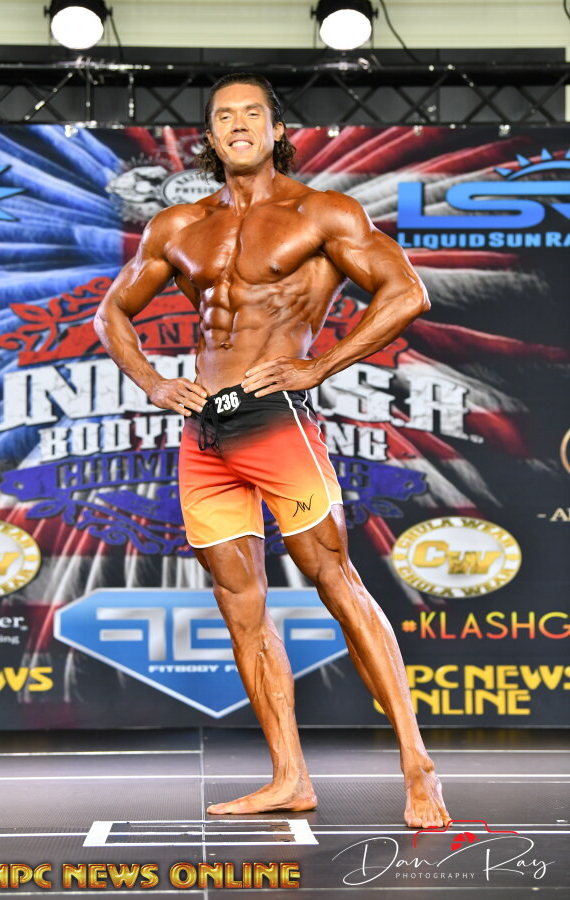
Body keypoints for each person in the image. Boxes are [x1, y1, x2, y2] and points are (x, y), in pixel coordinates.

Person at [94, 72, 451, 829]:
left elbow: (406, 292)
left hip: (278, 418)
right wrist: (153, 381)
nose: (237, 124)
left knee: (335, 580)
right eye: (223, 115)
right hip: (205, 431)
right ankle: (290, 776)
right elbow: (111, 313)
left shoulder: (320, 212)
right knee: (241, 608)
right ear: (210, 135)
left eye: (251, 113)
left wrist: (321, 365)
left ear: (276, 129)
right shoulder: (178, 225)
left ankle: (418, 766)